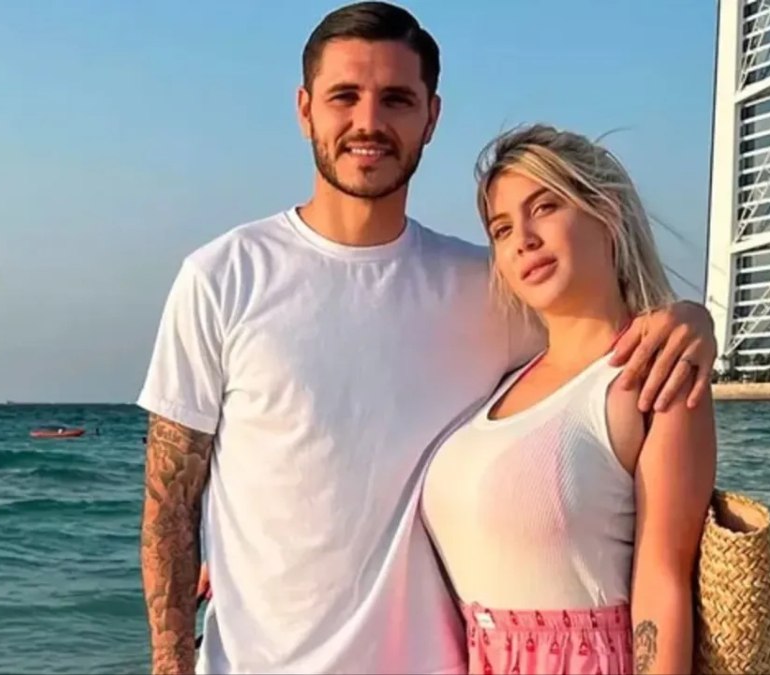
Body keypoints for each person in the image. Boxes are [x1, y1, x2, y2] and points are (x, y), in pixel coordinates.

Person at [135, 3, 716, 673]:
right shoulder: (223, 278)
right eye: (344, 96)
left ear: (431, 116)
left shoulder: (487, 288)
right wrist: (171, 662)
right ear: (305, 110)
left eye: (397, 99)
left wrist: (691, 322)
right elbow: (170, 509)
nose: (368, 121)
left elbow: (592, 342)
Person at [420, 125, 717, 675]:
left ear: (606, 212)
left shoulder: (652, 378)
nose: (523, 240)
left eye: (545, 207)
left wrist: (691, 319)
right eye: (502, 229)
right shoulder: (502, 377)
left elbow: (663, 582)